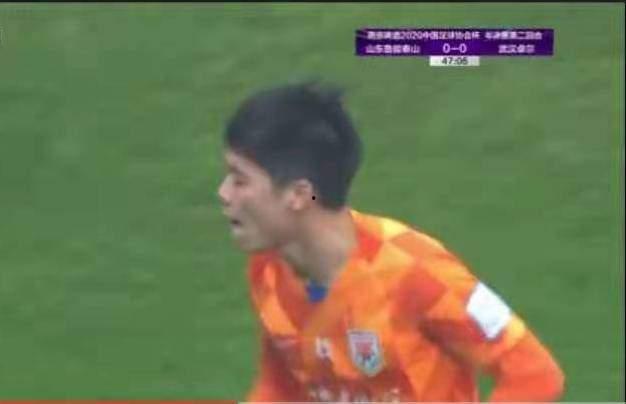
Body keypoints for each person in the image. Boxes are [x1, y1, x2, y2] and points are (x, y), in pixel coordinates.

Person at [217, 81, 565, 402]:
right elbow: (281, 388)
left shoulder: (415, 273)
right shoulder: (269, 270)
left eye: (240, 180)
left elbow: (534, 374)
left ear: (298, 194)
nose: (223, 193)